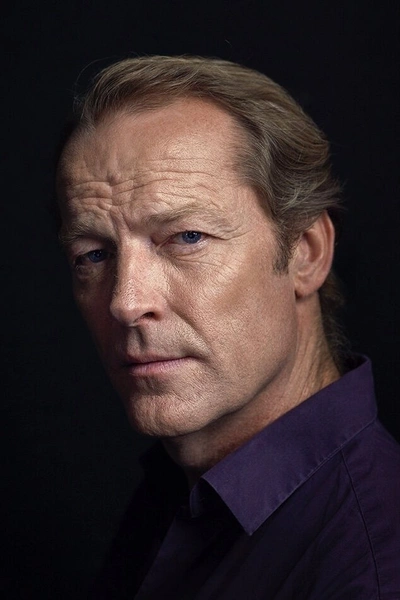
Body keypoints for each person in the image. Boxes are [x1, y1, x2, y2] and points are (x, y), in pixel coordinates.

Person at [56, 56, 399, 599]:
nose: (125, 303)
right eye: (93, 254)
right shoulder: (174, 493)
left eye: (187, 237)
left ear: (307, 253)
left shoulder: (373, 567)